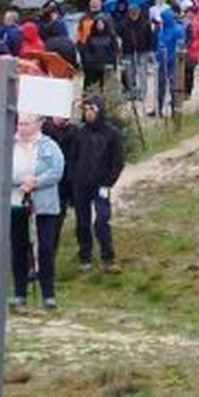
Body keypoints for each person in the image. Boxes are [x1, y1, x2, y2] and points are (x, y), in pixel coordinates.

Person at [11, 114, 66, 308]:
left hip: (44, 206)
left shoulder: (48, 146)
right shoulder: (9, 145)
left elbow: (56, 170)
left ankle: (48, 294)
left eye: (26, 124)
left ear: (37, 125)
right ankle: (19, 292)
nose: (22, 127)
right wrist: (19, 181)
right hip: (16, 203)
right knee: (18, 248)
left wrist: (36, 181)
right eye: (20, 123)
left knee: (44, 249)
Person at [70, 95, 124, 273]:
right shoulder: (80, 133)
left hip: (101, 185)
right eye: (85, 110)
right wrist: (73, 180)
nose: (88, 113)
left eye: (91, 110)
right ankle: (84, 256)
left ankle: (107, 257)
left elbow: (117, 161)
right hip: (81, 184)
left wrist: (109, 182)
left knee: (101, 220)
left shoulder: (112, 134)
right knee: (82, 222)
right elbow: (73, 158)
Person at [118, 4, 156, 113]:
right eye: (131, 12)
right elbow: (119, 35)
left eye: (135, 12)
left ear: (139, 12)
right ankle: (132, 93)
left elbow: (150, 37)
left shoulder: (145, 23)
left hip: (142, 51)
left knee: (142, 72)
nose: (133, 14)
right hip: (128, 51)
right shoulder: (124, 24)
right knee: (129, 73)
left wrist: (150, 51)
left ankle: (142, 93)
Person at [79, 16, 118, 93]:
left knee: (106, 85)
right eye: (98, 24)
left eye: (101, 24)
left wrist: (109, 60)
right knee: (92, 85)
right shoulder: (90, 37)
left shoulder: (111, 36)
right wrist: (89, 60)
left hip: (106, 65)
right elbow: (86, 50)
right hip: (93, 65)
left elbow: (114, 50)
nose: (99, 26)